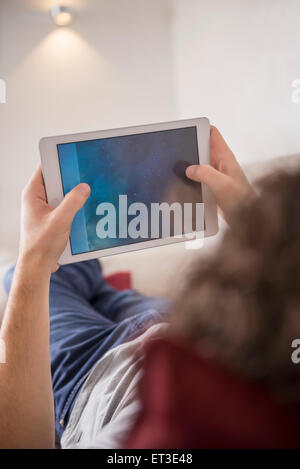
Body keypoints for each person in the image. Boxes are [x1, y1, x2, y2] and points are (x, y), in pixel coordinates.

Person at [0, 127, 257, 448]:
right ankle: (104, 288)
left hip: (92, 368)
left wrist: (33, 261)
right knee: (88, 272)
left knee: (49, 268)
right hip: (180, 329)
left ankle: (96, 281)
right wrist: (250, 222)